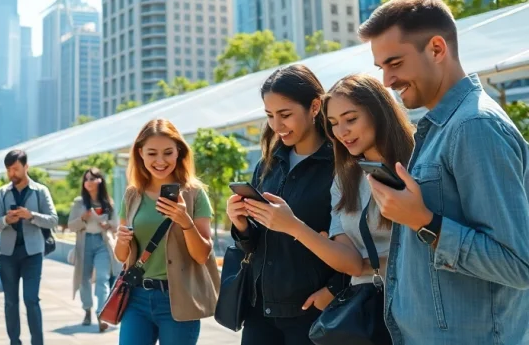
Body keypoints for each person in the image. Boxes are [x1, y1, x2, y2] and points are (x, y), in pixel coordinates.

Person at [358, 0, 529, 344]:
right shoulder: (444, 125)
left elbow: (518, 265)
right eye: (382, 69)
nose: (387, 81)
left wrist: (425, 221)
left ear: (437, 49)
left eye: (395, 63)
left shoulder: (474, 126)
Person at [242, 74, 414, 345]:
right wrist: (255, 223)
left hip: (409, 304)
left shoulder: (421, 164)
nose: (341, 131)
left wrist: (334, 285)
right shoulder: (346, 176)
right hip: (360, 308)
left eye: (351, 119)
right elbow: (352, 262)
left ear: (379, 112)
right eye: (333, 123)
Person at [226, 64, 347, 345]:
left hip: (312, 313)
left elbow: (358, 241)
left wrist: (333, 289)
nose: (277, 126)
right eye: (269, 116)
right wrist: (241, 225)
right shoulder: (267, 166)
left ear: (315, 106)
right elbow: (255, 244)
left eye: (285, 114)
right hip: (260, 312)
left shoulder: (340, 166)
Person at [114, 119, 219, 345]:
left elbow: (202, 255)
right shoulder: (132, 195)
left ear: (178, 152)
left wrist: (184, 221)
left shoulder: (194, 194)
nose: (160, 161)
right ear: (140, 153)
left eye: (168, 153)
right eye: (152, 153)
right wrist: (121, 240)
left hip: (179, 299)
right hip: (137, 299)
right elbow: (122, 256)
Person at [0, 149, 58, 345]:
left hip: (32, 254)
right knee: (10, 302)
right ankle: (14, 342)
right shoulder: (1, 193)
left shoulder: (41, 191)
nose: (12, 173)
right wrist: (5, 219)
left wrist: (31, 216)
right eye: (9, 170)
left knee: (31, 300)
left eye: (16, 169)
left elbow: (53, 220)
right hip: (8, 254)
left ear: (26, 167)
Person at [67, 167, 119, 331]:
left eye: (92, 178)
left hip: (102, 243)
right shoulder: (79, 203)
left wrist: (108, 225)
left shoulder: (108, 203)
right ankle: (87, 309)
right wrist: (83, 218)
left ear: (100, 180)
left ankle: (101, 313)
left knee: (103, 278)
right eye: (86, 179)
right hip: (85, 243)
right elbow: (71, 226)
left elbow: (116, 225)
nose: (88, 182)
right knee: (84, 279)